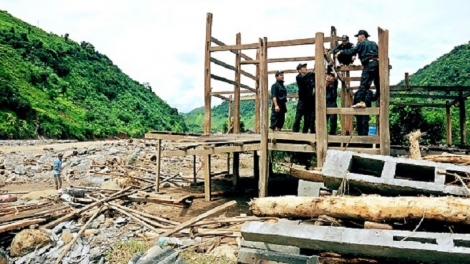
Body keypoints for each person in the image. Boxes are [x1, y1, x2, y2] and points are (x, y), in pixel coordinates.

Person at [335, 29, 379, 135]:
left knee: (363, 84)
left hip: (369, 64)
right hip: (377, 63)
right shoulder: (374, 43)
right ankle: (376, 96)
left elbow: (351, 51)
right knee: (376, 83)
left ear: (362, 36)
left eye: (358, 36)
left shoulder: (361, 43)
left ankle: (362, 102)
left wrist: (341, 52)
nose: (357, 38)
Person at [293, 63, 315, 133]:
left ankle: (305, 133)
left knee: (307, 118)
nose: (306, 68)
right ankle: (295, 132)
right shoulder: (299, 77)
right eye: (304, 67)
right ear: (299, 70)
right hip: (302, 101)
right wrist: (312, 73)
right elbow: (304, 78)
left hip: (309, 101)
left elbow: (313, 83)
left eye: (306, 67)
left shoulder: (310, 77)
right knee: (298, 117)